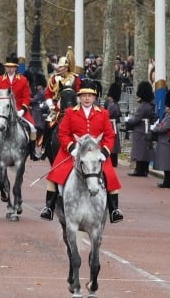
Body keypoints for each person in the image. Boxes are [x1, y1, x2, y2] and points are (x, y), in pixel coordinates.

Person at [39, 81, 124, 223]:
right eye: (84, 95)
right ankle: (49, 207)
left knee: (111, 177)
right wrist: (72, 148)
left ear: (94, 97)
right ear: (79, 97)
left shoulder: (103, 113)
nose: (86, 98)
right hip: (72, 152)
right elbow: (63, 134)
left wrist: (104, 152)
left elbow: (110, 135)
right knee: (55, 175)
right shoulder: (71, 112)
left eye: (90, 95)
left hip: (96, 153)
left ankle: (114, 209)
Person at [0, 61, 35, 162]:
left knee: (33, 128)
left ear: (16, 68)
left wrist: (23, 110)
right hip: (3, 110)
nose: (9, 69)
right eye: (7, 67)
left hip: (19, 109)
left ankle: (33, 152)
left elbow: (26, 96)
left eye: (12, 67)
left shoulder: (23, 80)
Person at [124, 81, 155, 177]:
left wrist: (128, 119)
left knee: (139, 151)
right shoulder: (150, 105)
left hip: (140, 129)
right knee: (145, 151)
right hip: (146, 128)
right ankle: (144, 170)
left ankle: (139, 170)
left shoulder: (142, 107)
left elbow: (136, 119)